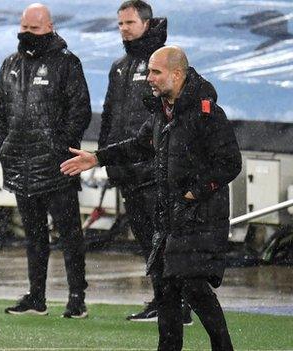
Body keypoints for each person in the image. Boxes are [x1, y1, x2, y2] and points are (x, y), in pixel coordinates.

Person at [61, 46, 239, 351]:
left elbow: (230, 163)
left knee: (194, 288)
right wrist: (98, 158)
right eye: (148, 72)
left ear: (177, 74)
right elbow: (140, 145)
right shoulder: (161, 112)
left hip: (199, 218)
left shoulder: (207, 113)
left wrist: (194, 192)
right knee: (167, 289)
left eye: (156, 72)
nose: (149, 79)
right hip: (169, 218)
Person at [0, 3, 91, 318]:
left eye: (33, 29)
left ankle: (77, 299)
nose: (26, 34)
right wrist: (1, 146)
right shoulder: (9, 64)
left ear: (49, 27)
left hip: (58, 167)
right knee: (33, 236)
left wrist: (57, 147)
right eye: (23, 27)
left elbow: (80, 110)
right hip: (19, 165)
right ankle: (36, 298)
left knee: (70, 234)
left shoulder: (67, 64)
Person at [100, 0, 191, 324]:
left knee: (165, 239)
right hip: (129, 170)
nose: (124, 28)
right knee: (147, 241)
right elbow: (110, 116)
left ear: (147, 24)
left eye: (129, 23)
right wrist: (105, 160)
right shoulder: (119, 66)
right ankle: (163, 300)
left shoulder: (167, 63)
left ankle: (179, 305)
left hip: (157, 170)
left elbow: (178, 115)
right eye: (120, 24)